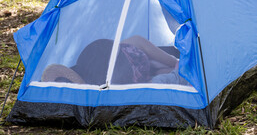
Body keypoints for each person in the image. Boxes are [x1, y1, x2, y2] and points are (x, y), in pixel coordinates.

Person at [41, 36, 189, 86]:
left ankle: (176, 67)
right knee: (136, 42)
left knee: (153, 70)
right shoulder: (86, 59)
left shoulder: (92, 75)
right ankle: (176, 63)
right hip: (131, 60)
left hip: (135, 74)